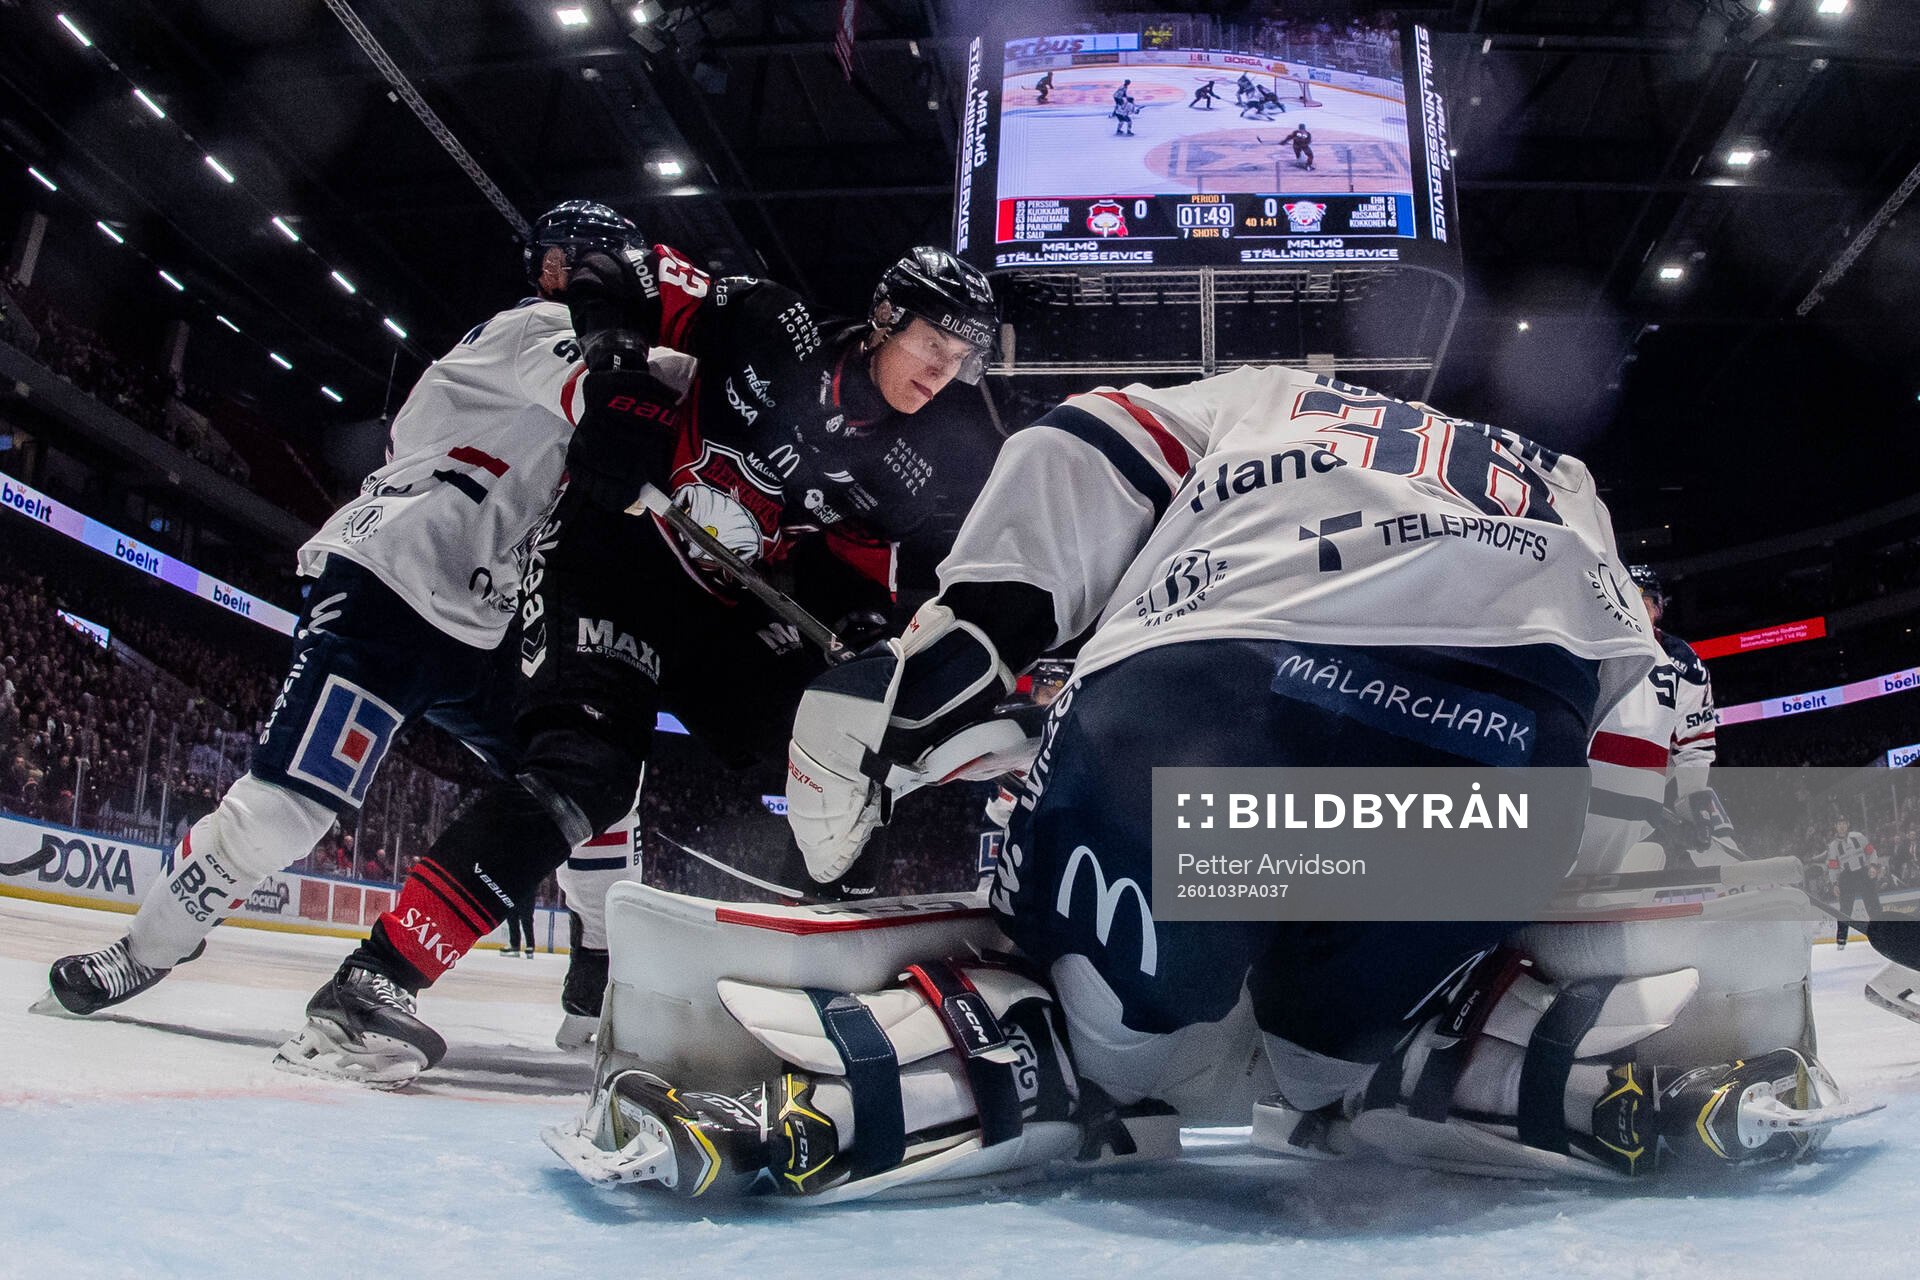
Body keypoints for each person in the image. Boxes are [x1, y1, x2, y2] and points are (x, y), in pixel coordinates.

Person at [564, 368, 1866, 1198]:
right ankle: (1525, 1048)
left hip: (1203, 721)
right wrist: (1578, 900)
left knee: (1142, 1052)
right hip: (1488, 754)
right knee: (1326, 1061)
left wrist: (961, 649)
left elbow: (1080, 446)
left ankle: (969, 1054)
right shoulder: (1551, 473)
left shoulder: (1254, 398)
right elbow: (1636, 719)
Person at [274, 246, 1003, 1086]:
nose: (943, 373)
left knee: (845, 751)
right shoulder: (768, 321)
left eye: (961, 359)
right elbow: (609, 267)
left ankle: (821, 1003)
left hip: (720, 611)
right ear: (884, 318)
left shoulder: (910, 467)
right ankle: (369, 984)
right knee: (584, 773)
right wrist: (617, 377)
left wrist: (867, 631)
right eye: (933, 346)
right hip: (608, 560)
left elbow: (850, 570)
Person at [37, 200, 672, 1019]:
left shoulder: (551, 344)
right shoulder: (538, 330)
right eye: (566, 266)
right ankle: (143, 949)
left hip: (481, 621)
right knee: (285, 815)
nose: (567, 280)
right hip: (392, 586)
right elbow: (633, 405)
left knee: (597, 777)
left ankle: (598, 980)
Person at [1576, 563, 1732, 874]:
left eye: (1645, 603)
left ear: (1658, 608)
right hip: (1584, 787)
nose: (1637, 610)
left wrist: (1690, 799)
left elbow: (1695, 743)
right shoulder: (1587, 642)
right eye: (1629, 600)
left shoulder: (1685, 662)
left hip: (1637, 795)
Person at [1827, 818, 1881, 949]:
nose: (1842, 827)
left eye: (1844, 824)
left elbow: (1871, 852)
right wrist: (1834, 883)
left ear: (1848, 825)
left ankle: (1881, 935)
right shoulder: (1833, 846)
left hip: (1863, 873)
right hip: (1846, 877)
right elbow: (1832, 867)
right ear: (1835, 826)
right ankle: (1841, 940)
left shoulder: (1858, 837)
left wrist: (1873, 866)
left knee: (1873, 905)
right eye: (1839, 824)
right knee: (1845, 910)